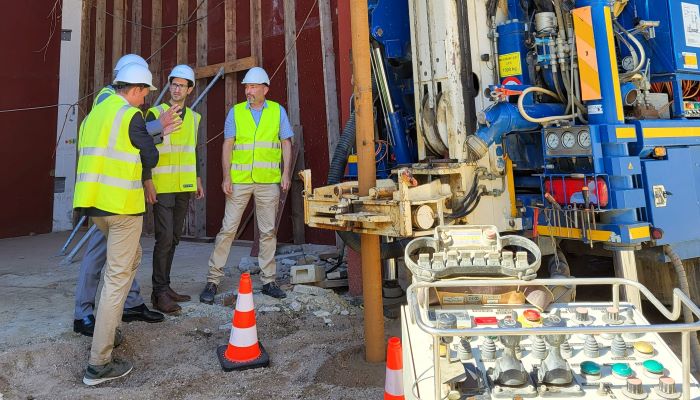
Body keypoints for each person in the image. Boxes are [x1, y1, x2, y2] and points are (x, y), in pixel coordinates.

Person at [73, 63, 175, 385]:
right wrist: (149, 149)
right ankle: (98, 363)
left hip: (96, 206)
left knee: (125, 265)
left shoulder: (95, 115)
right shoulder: (129, 115)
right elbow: (150, 156)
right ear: (135, 89)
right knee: (118, 279)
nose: (145, 100)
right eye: (145, 93)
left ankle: (108, 330)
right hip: (123, 209)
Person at [199, 66, 293, 304]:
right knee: (228, 229)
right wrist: (226, 177)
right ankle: (212, 280)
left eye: (252, 87)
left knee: (268, 231)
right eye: (246, 88)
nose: (248, 91)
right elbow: (227, 145)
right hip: (239, 181)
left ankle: (269, 281)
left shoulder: (278, 112)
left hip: (268, 181)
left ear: (265, 89)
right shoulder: (236, 112)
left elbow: (286, 143)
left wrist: (286, 173)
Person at [145, 64, 205, 313]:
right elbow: (145, 148)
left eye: (182, 85)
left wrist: (198, 178)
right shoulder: (155, 113)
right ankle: (158, 293)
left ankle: (165, 286)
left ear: (190, 89)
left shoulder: (193, 118)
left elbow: (192, 150)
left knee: (175, 238)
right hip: (162, 186)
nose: (176, 89)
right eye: (174, 84)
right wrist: (147, 180)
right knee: (164, 238)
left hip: (184, 185)